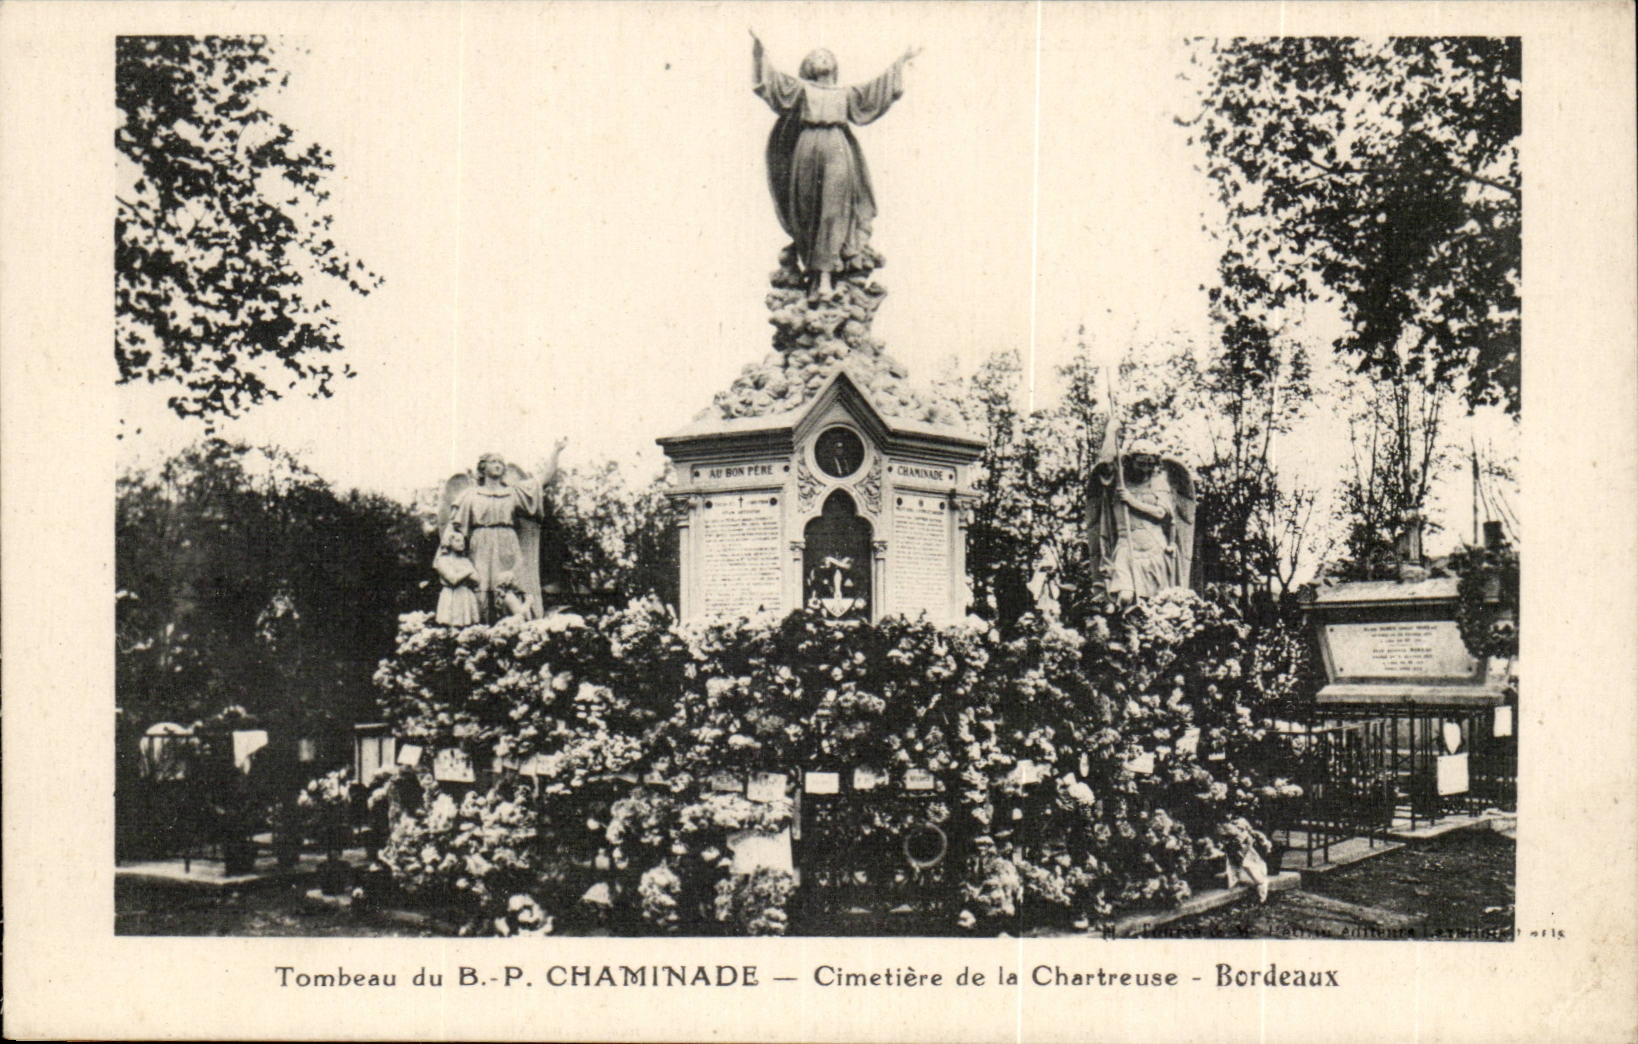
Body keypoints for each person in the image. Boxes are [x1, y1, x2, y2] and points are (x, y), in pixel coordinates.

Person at [751, 32, 920, 300]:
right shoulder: (802, 90)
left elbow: (876, 91)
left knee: (833, 211)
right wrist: (759, 51)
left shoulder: (846, 94)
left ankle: (826, 277)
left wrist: (902, 61)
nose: (822, 57)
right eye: (816, 56)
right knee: (808, 211)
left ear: (835, 66)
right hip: (806, 148)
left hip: (837, 148)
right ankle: (814, 275)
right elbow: (772, 85)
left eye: (827, 56)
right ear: (807, 68)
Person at [444, 438, 567, 623]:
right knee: (481, 586)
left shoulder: (513, 493)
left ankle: (512, 629)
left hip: (508, 544)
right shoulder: (470, 495)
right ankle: (480, 631)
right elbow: (455, 529)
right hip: (480, 544)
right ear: (483, 467)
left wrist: (556, 451)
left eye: (501, 463)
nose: (499, 465)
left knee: (510, 587)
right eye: (494, 461)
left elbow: (541, 480)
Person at [433, 527, 482, 627]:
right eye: (457, 541)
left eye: (463, 541)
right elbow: (453, 579)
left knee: (467, 626)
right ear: (449, 542)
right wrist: (468, 571)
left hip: (465, 596)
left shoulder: (465, 561)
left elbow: (477, 580)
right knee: (451, 625)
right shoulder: (443, 561)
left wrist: (461, 573)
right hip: (451, 595)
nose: (462, 543)